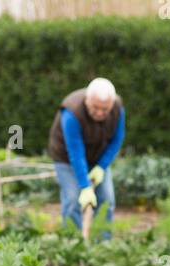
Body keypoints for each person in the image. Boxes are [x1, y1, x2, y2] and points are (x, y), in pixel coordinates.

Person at [47, 77, 126, 237]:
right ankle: (72, 245)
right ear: (87, 100)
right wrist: (84, 186)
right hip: (67, 159)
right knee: (72, 201)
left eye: (105, 109)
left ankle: (102, 247)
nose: (100, 113)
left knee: (106, 201)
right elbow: (75, 152)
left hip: (98, 158)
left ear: (111, 103)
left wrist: (101, 167)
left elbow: (117, 140)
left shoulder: (117, 109)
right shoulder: (71, 112)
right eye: (96, 108)